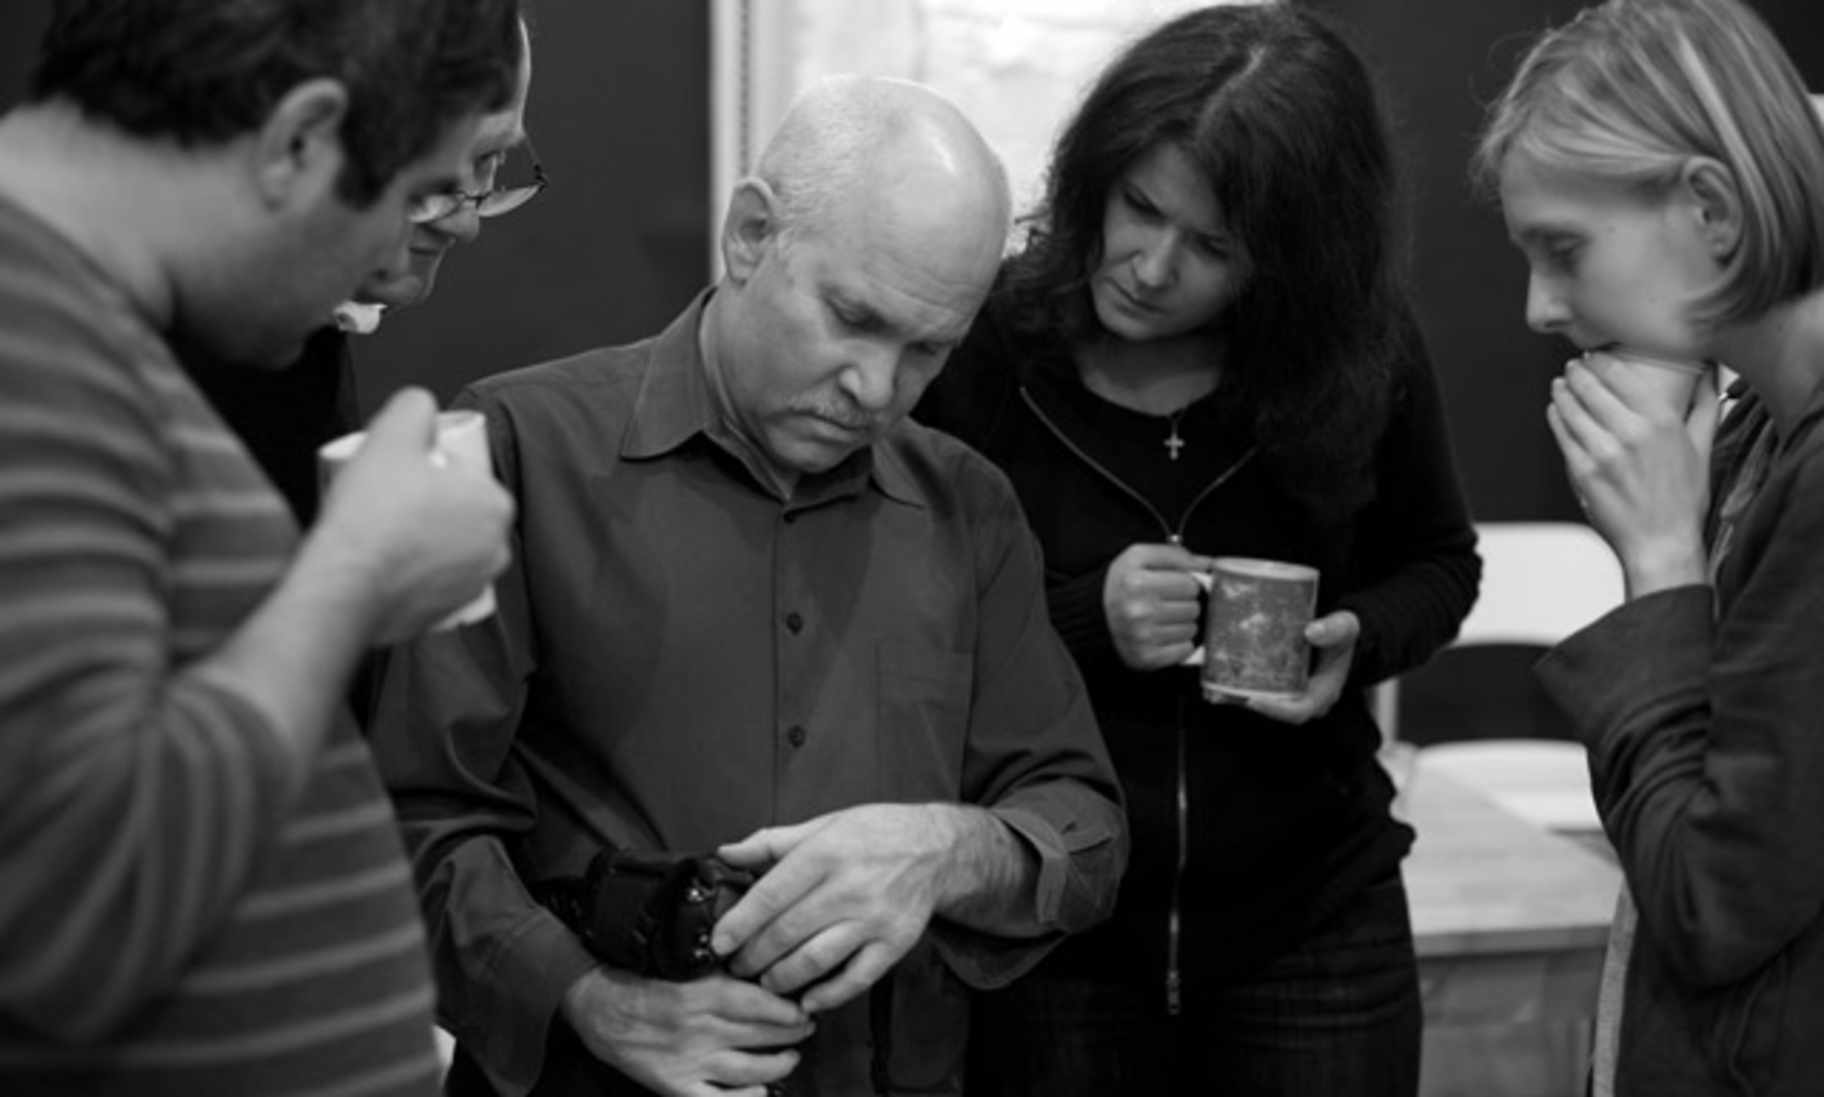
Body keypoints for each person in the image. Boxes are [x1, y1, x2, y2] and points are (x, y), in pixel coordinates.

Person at [367, 74, 1127, 1097]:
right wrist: (590, 998)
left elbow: (1085, 829)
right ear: (751, 234)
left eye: (928, 350)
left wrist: (947, 848)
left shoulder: (968, 507)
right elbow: (412, 817)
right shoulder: (517, 450)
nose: (876, 388)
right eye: (852, 317)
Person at [913, 6, 1481, 1094]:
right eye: (1139, 207)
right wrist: (1086, 618)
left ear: (1293, 260)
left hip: (1314, 916)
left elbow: (1440, 564)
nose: (1150, 265)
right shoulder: (992, 344)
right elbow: (910, 620)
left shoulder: (1359, 353)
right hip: (1053, 922)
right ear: (1097, 171)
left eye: (1213, 247)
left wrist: (1353, 640)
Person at [0, 2, 521, 1095]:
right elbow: (83, 908)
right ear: (298, 141)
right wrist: (355, 573)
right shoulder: (29, 324)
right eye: (412, 193)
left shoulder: (75, 321)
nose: (398, 250)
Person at [1478, 0, 1824, 1093]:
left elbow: (1711, 905)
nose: (1539, 308)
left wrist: (1663, 560)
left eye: (1564, 250)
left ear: (1712, 208)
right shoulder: (1761, 428)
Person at [186, 16, 543, 527]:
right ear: (296, 138)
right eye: (426, 182)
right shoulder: (113, 367)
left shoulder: (310, 330)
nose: (466, 224)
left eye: (491, 160)